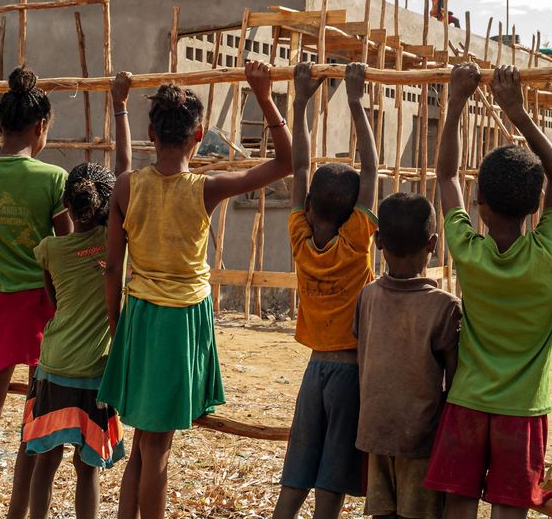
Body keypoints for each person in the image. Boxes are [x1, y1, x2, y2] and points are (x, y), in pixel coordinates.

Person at [98, 61, 291, 519]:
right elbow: (286, 162)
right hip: (179, 322)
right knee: (157, 446)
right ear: (199, 133)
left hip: (139, 318)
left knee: (146, 441)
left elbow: (111, 268)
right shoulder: (207, 188)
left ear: (152, 129)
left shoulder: (127, 188)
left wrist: (116, 325)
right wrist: (263, 96)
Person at [424, 63, 552, 519]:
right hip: (522, 410)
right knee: (509, 508)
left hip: (467, 402)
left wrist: (457, 100)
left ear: (479, 202)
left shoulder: (467, 251)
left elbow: (445, 177)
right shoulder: (546, 255)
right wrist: (518, 112)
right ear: (536, 205)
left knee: (457, 504)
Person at [0, 66, 73, 519]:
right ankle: (18, 513)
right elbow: (64, 250)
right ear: (41, 126)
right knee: (35, 419)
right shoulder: (52, 178)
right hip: (44, 307)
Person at [22, 72, 133, 519]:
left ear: (67, 206)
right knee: (87, 472)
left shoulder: (49, 249)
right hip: (94, 372)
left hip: (53, 365)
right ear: (112, 209)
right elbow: (125, 168)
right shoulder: (114, 241)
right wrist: (120, 105)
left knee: (43, 465)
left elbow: (52, 299)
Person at [273, 62, 378, 519]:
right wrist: (356, 103)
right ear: (356, 210)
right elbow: (372, 169)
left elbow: (299, 165)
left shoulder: (299, 237)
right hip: (350, 373)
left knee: (297, 471)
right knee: (331, 481)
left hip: (314, 370)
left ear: (309, 204)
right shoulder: (356, 241)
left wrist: (298, 103)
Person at [354, 192, 461, 519]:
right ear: (432, 244)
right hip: (421, 437)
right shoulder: (444, 306)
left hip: (375, 430)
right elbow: (455, 381)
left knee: (382, 512)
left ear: (378, 242)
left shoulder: (368, 295)